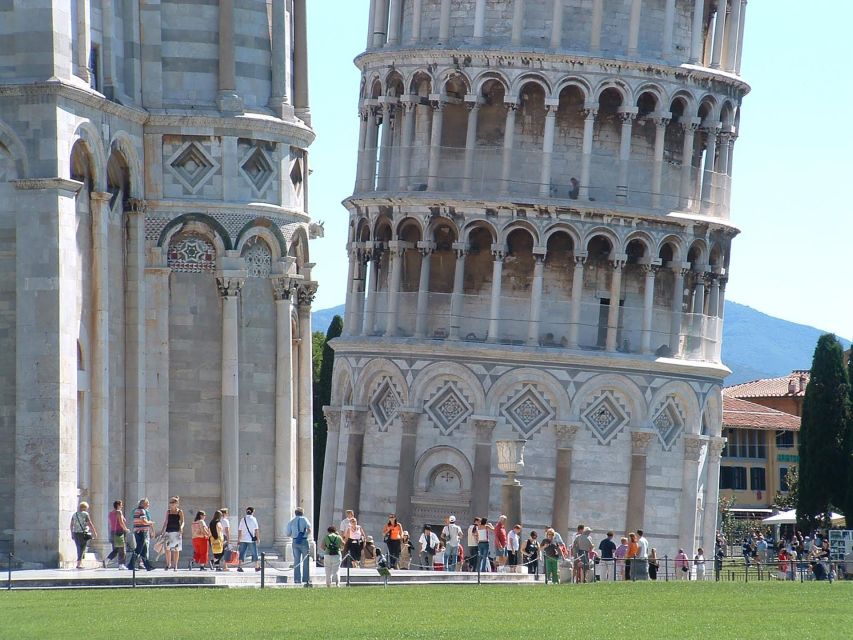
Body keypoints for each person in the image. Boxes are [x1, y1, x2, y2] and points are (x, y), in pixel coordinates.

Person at [286, 506, 312, 586]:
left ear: (295, 513)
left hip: (295, 541)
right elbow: (309, 529)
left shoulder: (291, 521)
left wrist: (295, 535)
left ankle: (297, 579)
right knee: (305, 560)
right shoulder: (304, 519)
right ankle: (306, 578)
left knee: (296, 561)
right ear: (302, 513)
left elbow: (288, 534)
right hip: (303, 540)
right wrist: (306, 534)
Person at [126, 498, 155, 571]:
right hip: (141, 532)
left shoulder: (136, 510)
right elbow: (144, 521)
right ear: (144, 504)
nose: (148, 505)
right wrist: (150, 522)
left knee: (144, 550)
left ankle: (148, 566)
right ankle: (131, 565)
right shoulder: (142, 511)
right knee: (139, 549)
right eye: (147, 504)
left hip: (138, 531)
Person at [70, 501, 97, 569]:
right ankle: (79, 563)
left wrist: (72, 533)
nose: (87, 509)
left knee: (79, 547)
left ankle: (80, 562)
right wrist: (94, 532)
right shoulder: (85, 514)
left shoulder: (74, 514)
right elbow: (90, 523)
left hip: (75, 533)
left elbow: (71, 524)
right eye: (86, 508)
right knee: (82, 548)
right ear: (84, 508)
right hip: (83, 533)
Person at [160, 496, 184, 571]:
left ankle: (175, 565)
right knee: (167, 548)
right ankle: (168, 564)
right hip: (168, 531)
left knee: (176, 549)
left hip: (177, 531)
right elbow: (166, 521)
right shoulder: (168, 511)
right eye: (171, 503)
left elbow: (182, 521)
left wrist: (181, 528)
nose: (171, 504)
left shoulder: (180, 511)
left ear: (177, 504)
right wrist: (162, 531)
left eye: (173, 503)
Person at [104, 500, 129, 569]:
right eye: (121, 505)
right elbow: (121, 522)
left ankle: (107, 559)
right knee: (122, 549)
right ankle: (121, 564)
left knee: (116, 549)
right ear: (118, 505)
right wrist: (126, 529)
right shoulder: (119, 512)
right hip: (119, 531)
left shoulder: (111, 513)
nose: (122, 506)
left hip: (113, 531)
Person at [237, 506, 261, 572]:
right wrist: (258, 538)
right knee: (254, 552)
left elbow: (240, 530)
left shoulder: (243, 519)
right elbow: (256, 530)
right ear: (252, 512)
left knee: (242, 553)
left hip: (243, 539)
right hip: (251, 539)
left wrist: (238, 539)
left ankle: (239, 566)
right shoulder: (254, 519)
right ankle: (256, 566)